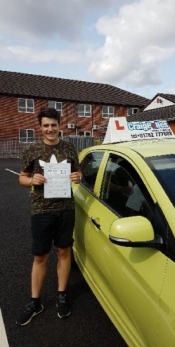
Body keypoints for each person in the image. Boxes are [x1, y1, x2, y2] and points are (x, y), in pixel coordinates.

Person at [16, 107, 82, 326]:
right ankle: (35, 302)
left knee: (63, 251)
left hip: (65, 209)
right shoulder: (32, 149)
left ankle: (61, 295)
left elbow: (78, 174)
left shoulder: (70, 148)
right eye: (46, 125)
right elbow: (22, 178)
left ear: (59, 125)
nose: (50, 129)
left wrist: (78, 176)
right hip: (41, 211)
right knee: (40, 256)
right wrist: (31, 180)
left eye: (53, 125)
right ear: (40, 127)